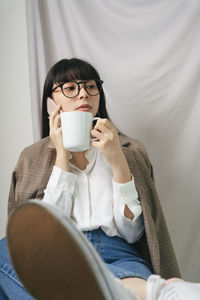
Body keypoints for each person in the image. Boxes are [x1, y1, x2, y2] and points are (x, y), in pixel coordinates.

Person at [1, 58, 181, 299]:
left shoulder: (131, 150)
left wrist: (117, 159)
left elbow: (133, 234)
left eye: (90, 86)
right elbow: (34, 231)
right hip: (57, 253)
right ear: (51, 102)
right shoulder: (32, 157)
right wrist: (62, 156)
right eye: (70, 88)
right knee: (6, 250)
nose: (83, 94)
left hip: (119, 252)